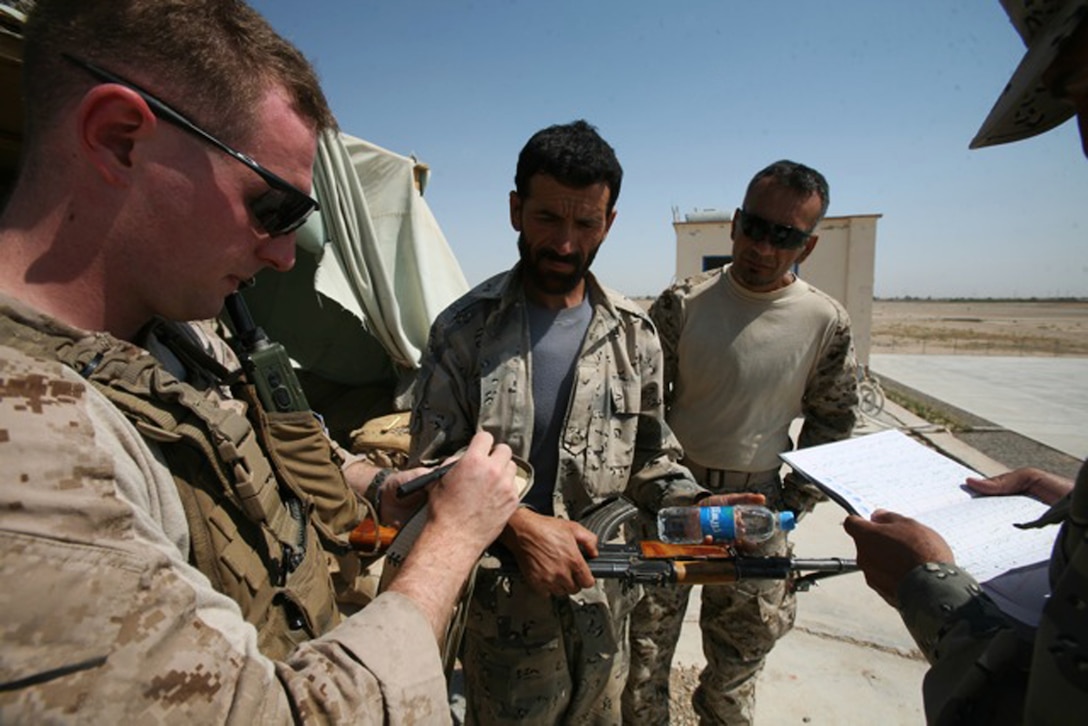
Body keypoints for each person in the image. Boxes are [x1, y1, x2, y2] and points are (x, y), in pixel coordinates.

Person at [0, 0, 520, 721]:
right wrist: (453, 541)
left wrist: (377, 485)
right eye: (270, 208)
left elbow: (254, 442)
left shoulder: (186, 334)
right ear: (120, 139)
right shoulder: (27, 436)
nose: (282, 256)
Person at [409, 119, 709, 724]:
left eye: (586, 224)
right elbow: (427, 470)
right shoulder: (465, 330)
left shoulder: (635, 335)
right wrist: (519, 526)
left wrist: (698, 506)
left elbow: (651, 459)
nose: (567, 243)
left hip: (605, 606)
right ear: (516, 210)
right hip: (503, 612)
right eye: (548, 218)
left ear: (610, 223)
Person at [844, 1, 1088, 723]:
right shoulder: (679, 306)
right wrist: (1073, 504)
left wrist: (928, 584)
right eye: (1075, 100)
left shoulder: (823, 318)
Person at [624, 160, 859, 724]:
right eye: (756, 227)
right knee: (643, 662)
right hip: (674, 506)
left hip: (757, 510)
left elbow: (833, 424)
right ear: (734, 223)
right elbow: (644, 411)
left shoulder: (825, 321)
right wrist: (664, 490)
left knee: (735, 672)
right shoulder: (683, 304)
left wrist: (790, 504)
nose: (764, 247)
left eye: (786, 236)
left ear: (808, 244)